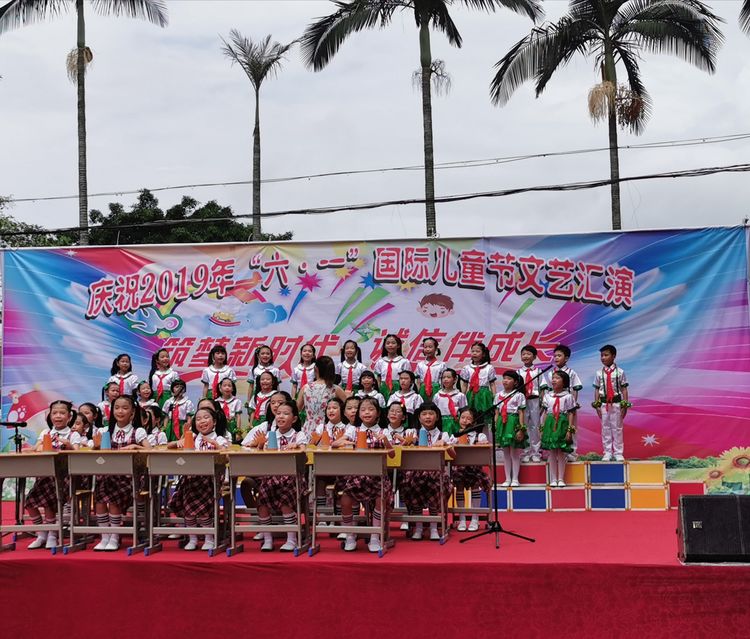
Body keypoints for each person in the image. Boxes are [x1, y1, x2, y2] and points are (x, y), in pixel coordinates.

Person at [167, 407, 230, 551]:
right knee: (188, 510)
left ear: (214, 422)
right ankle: (193, 538)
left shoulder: (219, 439)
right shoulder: (193, 438)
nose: (202, 421)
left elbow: (227, 457)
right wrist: (179, 442)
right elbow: (169, 446)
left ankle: (209, 538)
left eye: (206, 418)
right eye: (198, 419)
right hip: (191, 479)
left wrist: (216, 445)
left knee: (204, 510)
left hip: (211, 480)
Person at [93, 396, 151, 551]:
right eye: (117, 407)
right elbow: (94, 452)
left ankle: (115, 536)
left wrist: (135, 446)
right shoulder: (105, 431)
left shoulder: (137, 432)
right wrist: (96, 447)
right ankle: (104, 536)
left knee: (112, 499)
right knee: (99, 499)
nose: (120, 411)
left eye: (125, 408)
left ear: (132, 413)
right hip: (107, 475)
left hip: (129, 478)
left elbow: (150, 450)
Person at [338, 397, 394, 553]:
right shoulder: (352, 430)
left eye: (371, 409)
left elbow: (392, 455)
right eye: (363, 410)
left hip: (378, 477)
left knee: (380, 499)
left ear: (378, 413)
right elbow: (335, 444)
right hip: (356, 475)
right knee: (345, 500)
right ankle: (350, 535)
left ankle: (375, 536)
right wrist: (342, 442)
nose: (366, 413)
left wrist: (386, 442)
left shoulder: (384, 431)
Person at [253, 401, 308, 552]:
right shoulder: (270, 435)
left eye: (285, 413)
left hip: (293, 477)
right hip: (271, 477)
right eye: (278, 413)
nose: (281, 416)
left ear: (294, 419)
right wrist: (260, 446)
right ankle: (268, 538)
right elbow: (263, 457)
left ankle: (291, 538)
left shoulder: (298, 435)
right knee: (262, 502)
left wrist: (297, 446)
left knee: (285, 499)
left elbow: (304, 452)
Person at [26, 401, 79, 549]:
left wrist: (69, 445)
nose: (58, 416)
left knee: (49, 503)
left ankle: (52, 535)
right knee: (29, 503)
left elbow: (77, 453)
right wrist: (38, 447)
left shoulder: (73, 434)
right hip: (44, 475)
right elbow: (37, 448)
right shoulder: (46, 433)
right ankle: (41, 533)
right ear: (50, 416)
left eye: (62, 413)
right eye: (54, 413)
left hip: (65, 476)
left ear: (69, 417)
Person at [400, 402, 455, 541]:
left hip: (437, 474)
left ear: (437, 417)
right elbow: (401, 453)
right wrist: (406, 443)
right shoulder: (411, 433)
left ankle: (434, 526)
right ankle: (418, 526)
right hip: (415, 473)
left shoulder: (443, 435)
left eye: (431, 413)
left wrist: (446, 445)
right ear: (419, 418)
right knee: (410, 483)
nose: (428, 417)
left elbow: (453, 456)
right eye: (424, 414)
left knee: (435, 483)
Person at [449, 407, 491, 532]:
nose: (465, 420)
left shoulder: (480, 435)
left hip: (474, 469)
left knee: (475, 484)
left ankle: (475, 518)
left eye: (468, 418)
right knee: (459, 483)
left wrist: (482, 444)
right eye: (462, 417)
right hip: (459, 470)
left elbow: (486, 446)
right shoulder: (454, 436)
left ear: (474, 421)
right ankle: (462, 518)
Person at [541, 344, 583, 461]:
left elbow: (575, 389)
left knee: (570, 427)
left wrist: (573, 404)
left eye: (559, 355)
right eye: (555, 356)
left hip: (567, 403)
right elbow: (549, 389)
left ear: (566, 358)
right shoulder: (551, 373)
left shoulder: (571, 372)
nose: (556, 358)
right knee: (554, 427)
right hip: (554, 403)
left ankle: (571, 452)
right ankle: (553, 451)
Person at [592, 344, 630, 462]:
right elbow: (597, 389)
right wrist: (597, 405)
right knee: (605, 428)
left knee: (617, 428)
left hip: (616, 403)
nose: (603, 358)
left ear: (613, 356)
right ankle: (607, 452)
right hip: (604, 404)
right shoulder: (599, 373)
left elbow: (624, 389)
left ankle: (618, 452)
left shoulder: (620, 372)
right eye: (601, 355)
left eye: (606, 355)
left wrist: (625, 405)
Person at [297, 355, 348, 439]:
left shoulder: (306, 388)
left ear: (316, 369)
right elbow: (348, 408)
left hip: (309, 429)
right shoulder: (335, 389)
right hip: (329, 429)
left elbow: (296, 409)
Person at [541, 371, 577, 488]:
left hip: (562, 422)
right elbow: (545, 413)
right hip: (550, 423)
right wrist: (542, 427)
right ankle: (553, 478)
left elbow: (571, 413)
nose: (554, 380)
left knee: (561, 452)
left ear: (564, 381)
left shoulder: (568, 396)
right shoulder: (548, 396)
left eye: (557, 378)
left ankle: (561, 478)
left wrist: (569, 430)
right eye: (553, 378)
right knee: (552, 452)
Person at [495, 371, 527, 487]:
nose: (505, 381)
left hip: (513, 422)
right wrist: (496, 426)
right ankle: (507, 478)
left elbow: (521, 412)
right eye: (504, 378)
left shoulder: (519, 395)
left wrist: (521, 428)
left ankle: (515, 479)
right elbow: (496, 413)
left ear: (515, 382)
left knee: (514, 452)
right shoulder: (498, 395)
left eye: (509, 379)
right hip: (502, 423)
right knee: (506, 453)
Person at [459, 342, 497, 427]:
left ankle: (484, 433)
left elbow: (492, 384)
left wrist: (494, 397)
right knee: (471, 416)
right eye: (473, 351)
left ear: (483, 354)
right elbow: (464, 384)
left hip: (484, 396)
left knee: (484, 418)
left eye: (477, 351)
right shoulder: (467, 368)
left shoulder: (489, 368)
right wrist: (462, 397)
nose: (474, 353)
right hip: (471, 395)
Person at [517, 344, 543, 463]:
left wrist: (542, 402)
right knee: (524, 425)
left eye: (528, 354)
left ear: (534, 357)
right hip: (523, 401)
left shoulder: (538, 371)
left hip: (535, 400)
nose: (526, 356)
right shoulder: (518, 372)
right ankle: (525, 452)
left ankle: (536, 452)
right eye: (523, 354)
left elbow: (543, 388)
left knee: (535, 426)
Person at [373, 333, 411, 401]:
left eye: (393, 343)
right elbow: (378, 379)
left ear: (398, 345)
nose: (390, 345)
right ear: (384, 346)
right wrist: (379, 390)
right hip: (384, 388)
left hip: (399, 388)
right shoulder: (380, 362)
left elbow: (408, 378)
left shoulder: (404, 361)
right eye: (388, 343)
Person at [434, 369, 467, 436]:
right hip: (441, 423)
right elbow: (434, 411)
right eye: (443, 377)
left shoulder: (460, 395)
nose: (445, 379)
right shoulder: (437, 396)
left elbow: (464, 411)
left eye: (448, 377)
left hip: (455, 423)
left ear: (455, 379)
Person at [216, 378, 243, 444]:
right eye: (224, 385)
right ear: (220, 389)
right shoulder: (216, 402)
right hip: (220, 426)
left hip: (232, 426)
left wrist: (238, 432)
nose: (227, 387)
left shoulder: (237, 401)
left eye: (229, 385)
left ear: (233, 388)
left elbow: (238, 417)